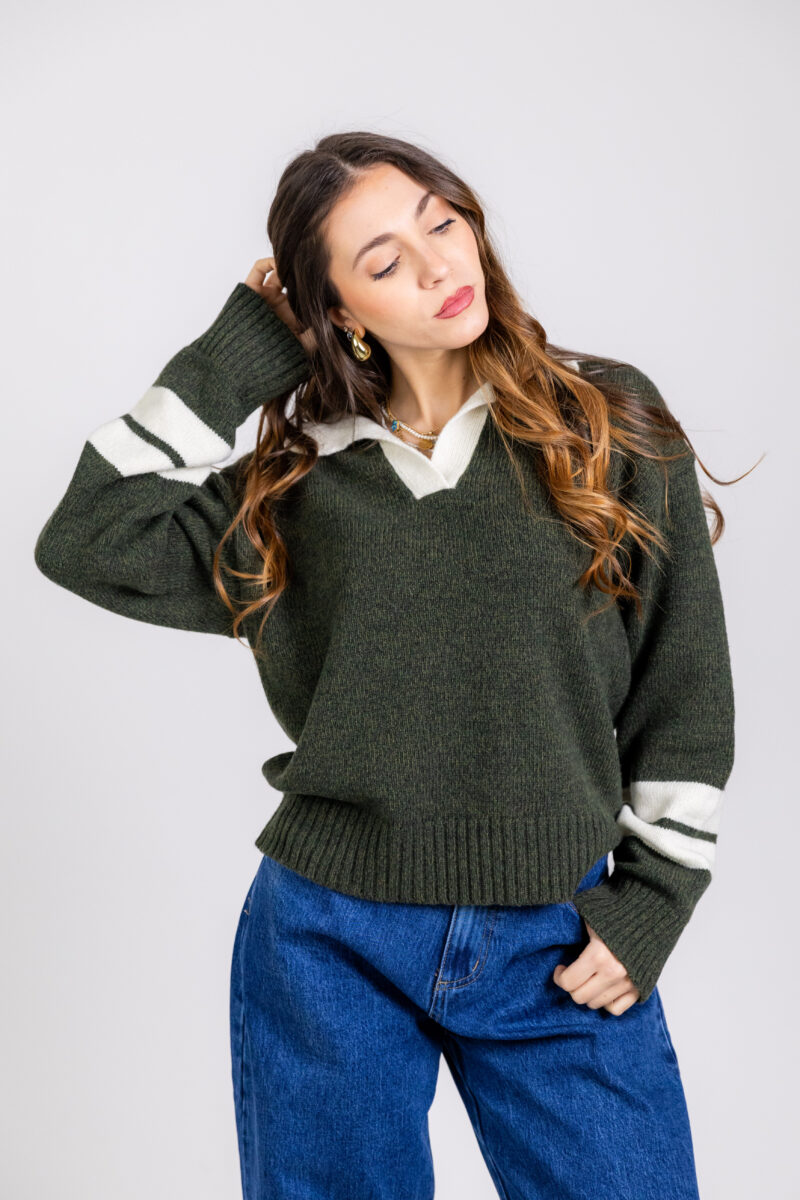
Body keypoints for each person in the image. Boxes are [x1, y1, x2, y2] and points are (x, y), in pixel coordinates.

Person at [34, 131, 737, 1199]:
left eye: (441, 224)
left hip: (556, 942)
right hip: (326, 943)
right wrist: (236, 354)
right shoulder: (290, 488)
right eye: (384, 261)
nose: (438, 265)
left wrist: (655, 899)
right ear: (338, 312)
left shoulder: (603, 423)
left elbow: (683, 690)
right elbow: (87, 539)